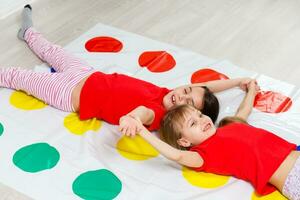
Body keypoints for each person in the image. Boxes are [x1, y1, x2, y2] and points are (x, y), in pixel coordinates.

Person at [1, 5, 252, 133]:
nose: (181, 95)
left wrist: (132, 119)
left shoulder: (157, 114)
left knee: (17, 76)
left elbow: (141, 114)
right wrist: (239, 81)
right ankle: (29, 33)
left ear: (184, 115)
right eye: (186, 90)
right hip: (86, 74)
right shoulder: (167, 91)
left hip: (67, 94)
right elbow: (205, 88)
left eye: (185, 102)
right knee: (53, 51)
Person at [132, 80, 300, 200]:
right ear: (184, 142)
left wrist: (251, 91)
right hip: (291, 176)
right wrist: (141, 129)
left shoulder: (229, 125)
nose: (202, 120)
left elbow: (244, 110)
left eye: (200, 114)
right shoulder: (203, 155)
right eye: (193, 123)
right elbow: (177, 156)